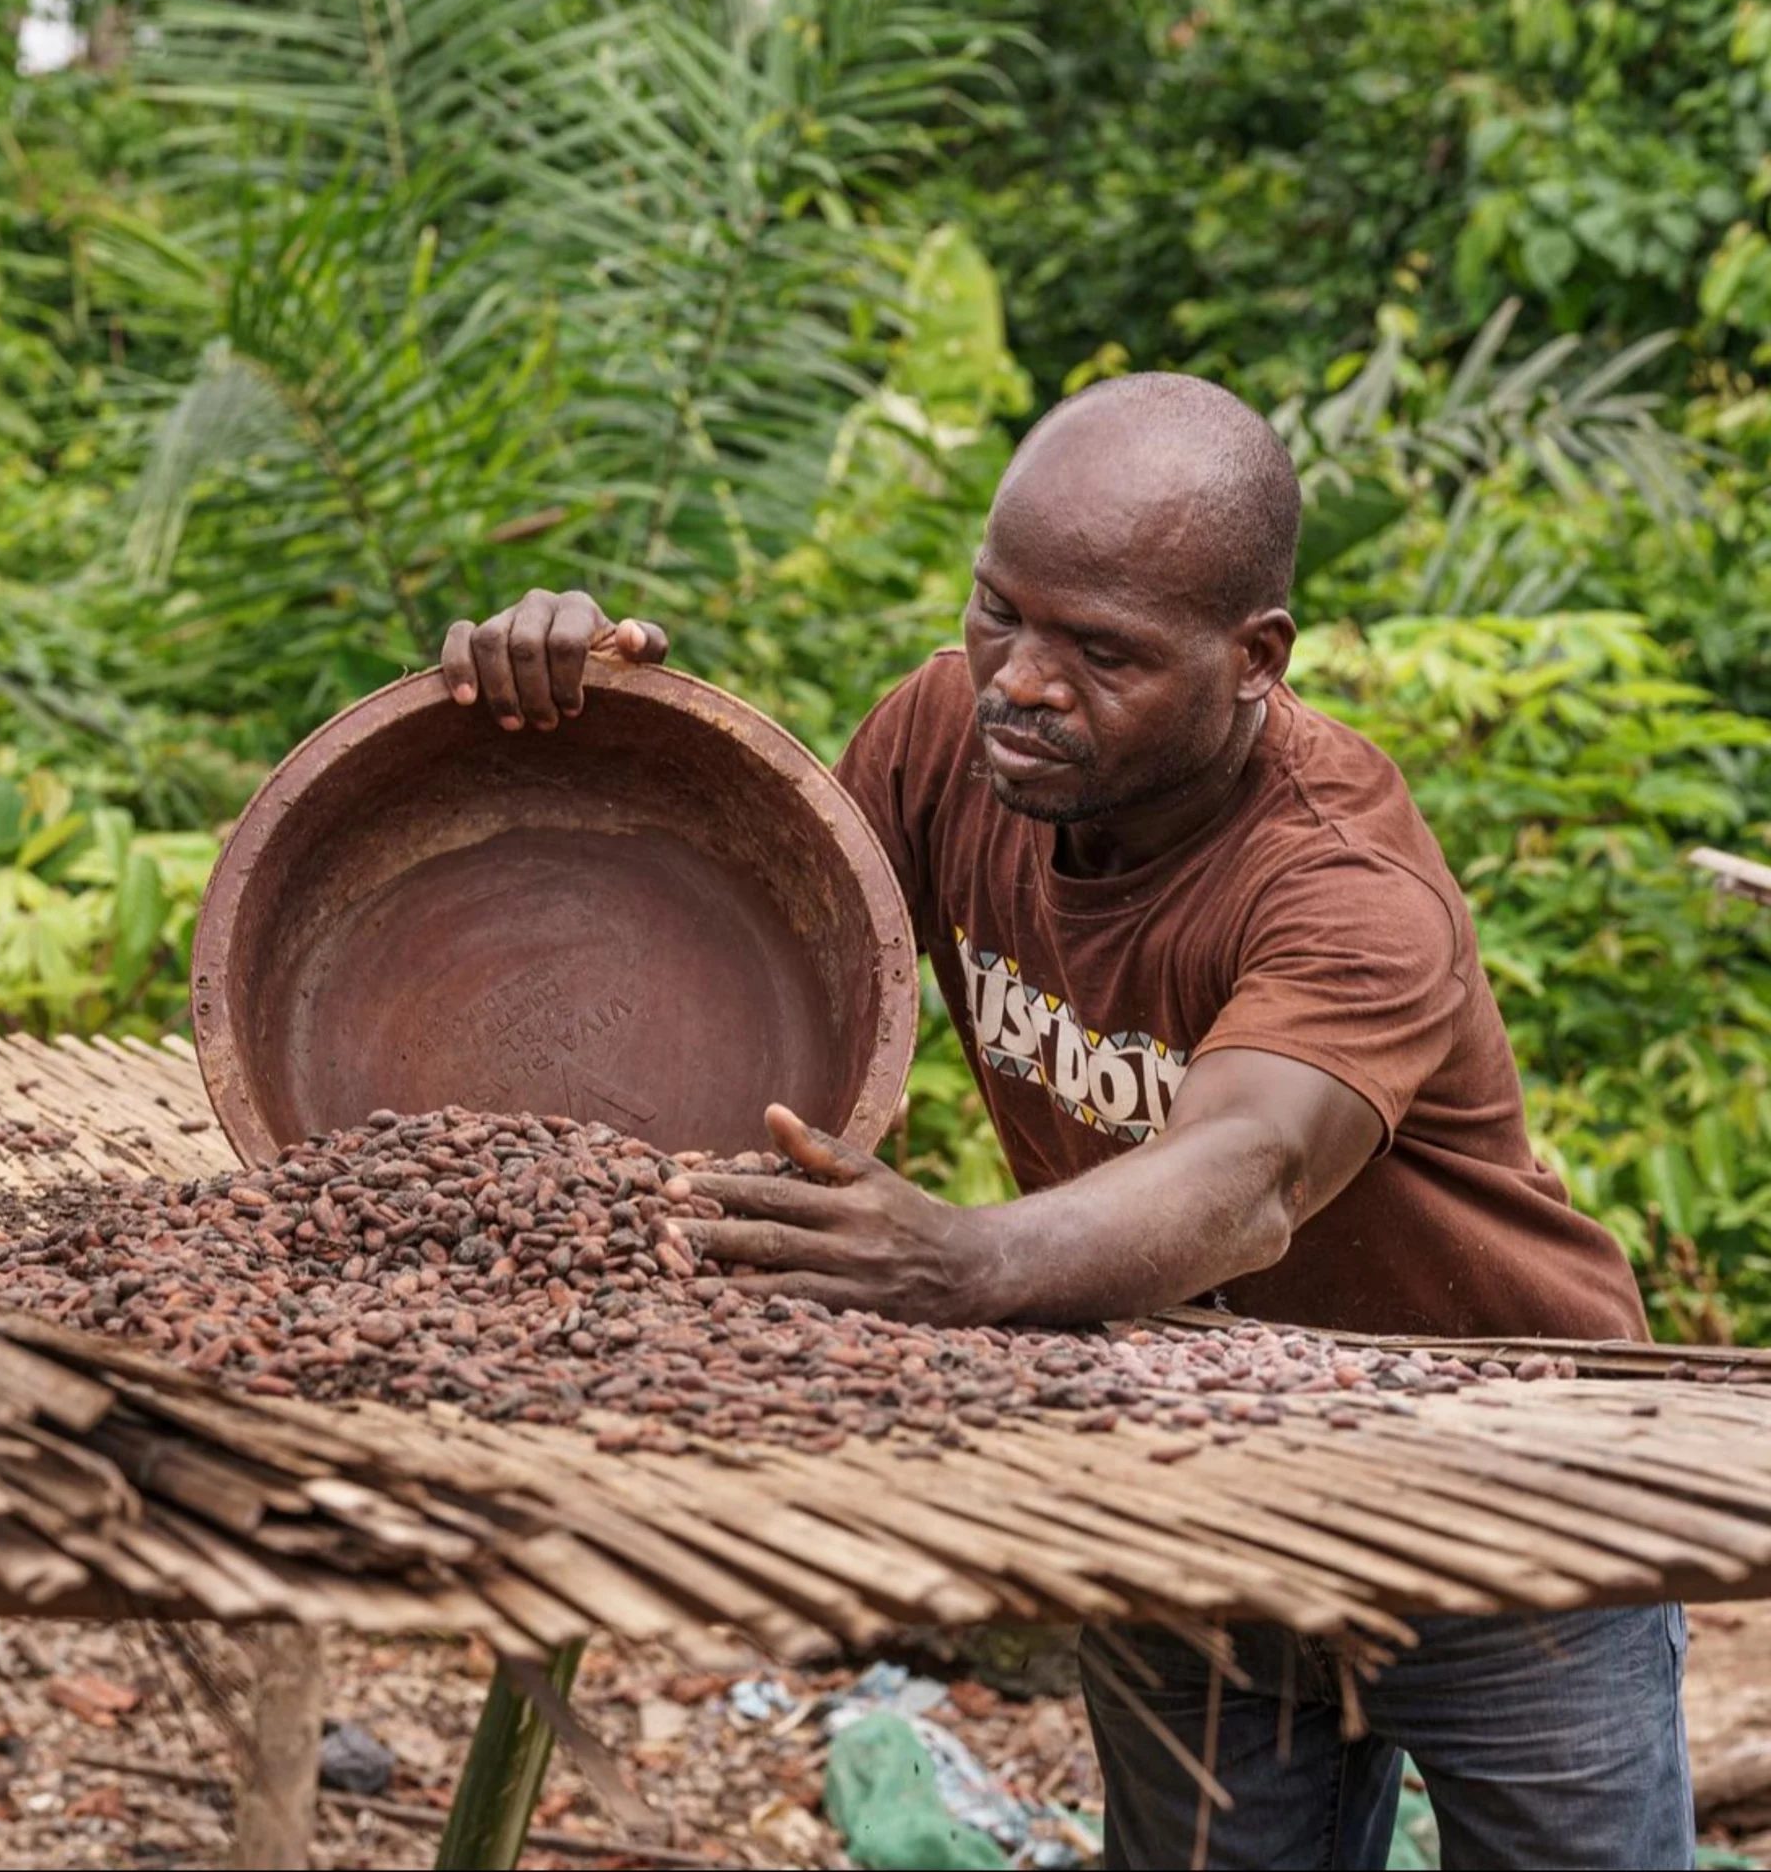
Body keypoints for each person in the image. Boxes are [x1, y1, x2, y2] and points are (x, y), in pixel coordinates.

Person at [440, 372, 1692, 1871]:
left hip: (1500, 1487)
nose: (1020, 683)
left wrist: (962, 1264)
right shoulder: (942, 742)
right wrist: (588, 723)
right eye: (998, 614)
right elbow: (762, 967)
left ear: (1255, 658)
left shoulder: (1342, 885)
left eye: (1100, 652)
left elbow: (1251, 1179)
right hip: (1186, 1452)